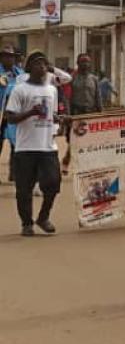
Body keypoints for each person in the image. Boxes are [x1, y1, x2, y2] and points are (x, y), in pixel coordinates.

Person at [5, 50, 67, 236]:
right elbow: (10, 117)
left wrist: (59, 119)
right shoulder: (20, 89)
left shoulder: (51, 90)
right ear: (30, 67)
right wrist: (30, 113)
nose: (43, 67)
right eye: (38, 63)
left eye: (45, 64)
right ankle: (26, 223)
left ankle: (43, 217)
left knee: (53, 182)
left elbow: (50, 115)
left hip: (47, 146)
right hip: (25, 148)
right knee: (24, 188)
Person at [0, 44, 25, 183]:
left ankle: (13, 173)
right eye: (5, 56)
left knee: (16, 145)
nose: (8, 59)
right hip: (0, 114)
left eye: (11, 56)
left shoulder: (20, 74)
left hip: (15, 114)